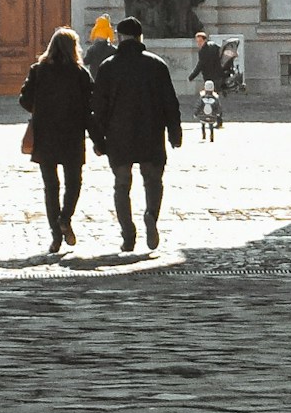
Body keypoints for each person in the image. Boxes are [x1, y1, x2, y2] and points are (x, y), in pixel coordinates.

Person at [89, 14, 185, 254]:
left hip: (119, 136)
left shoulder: (108, 66)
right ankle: (151, 215)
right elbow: (170, 103)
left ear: (119, 37)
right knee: (153, 180)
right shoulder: (156, 64)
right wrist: (175, 132)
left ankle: (128, 235)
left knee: (122, 185)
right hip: (151, 134)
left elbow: (98, 107)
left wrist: (98, 140)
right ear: (140, 37)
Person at [20, 25, 95, 255]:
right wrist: (97, 138)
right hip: (72, 136)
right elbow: (90, 106)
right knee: (74, 182)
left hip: (45, 135)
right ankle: (65, 218)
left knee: (50, 187)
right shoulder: (80, 73)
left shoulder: (38, 70)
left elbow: (24, 99)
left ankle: (55, 236)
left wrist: (40, 109)